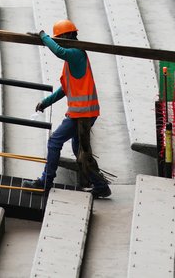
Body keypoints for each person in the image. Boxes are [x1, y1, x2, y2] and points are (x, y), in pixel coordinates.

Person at [27, 20, 112, 198]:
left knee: (54, 142)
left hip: (82, 113)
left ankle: (46, 182)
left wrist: (43, 36)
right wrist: (46, 102)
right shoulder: (74, 59)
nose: (57, 41)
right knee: (79, 150)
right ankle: (100, 185)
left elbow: (59, 51)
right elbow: (66, 89)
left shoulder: (75, 54)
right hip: (83, 112)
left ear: (67, 36)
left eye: (59, 38)